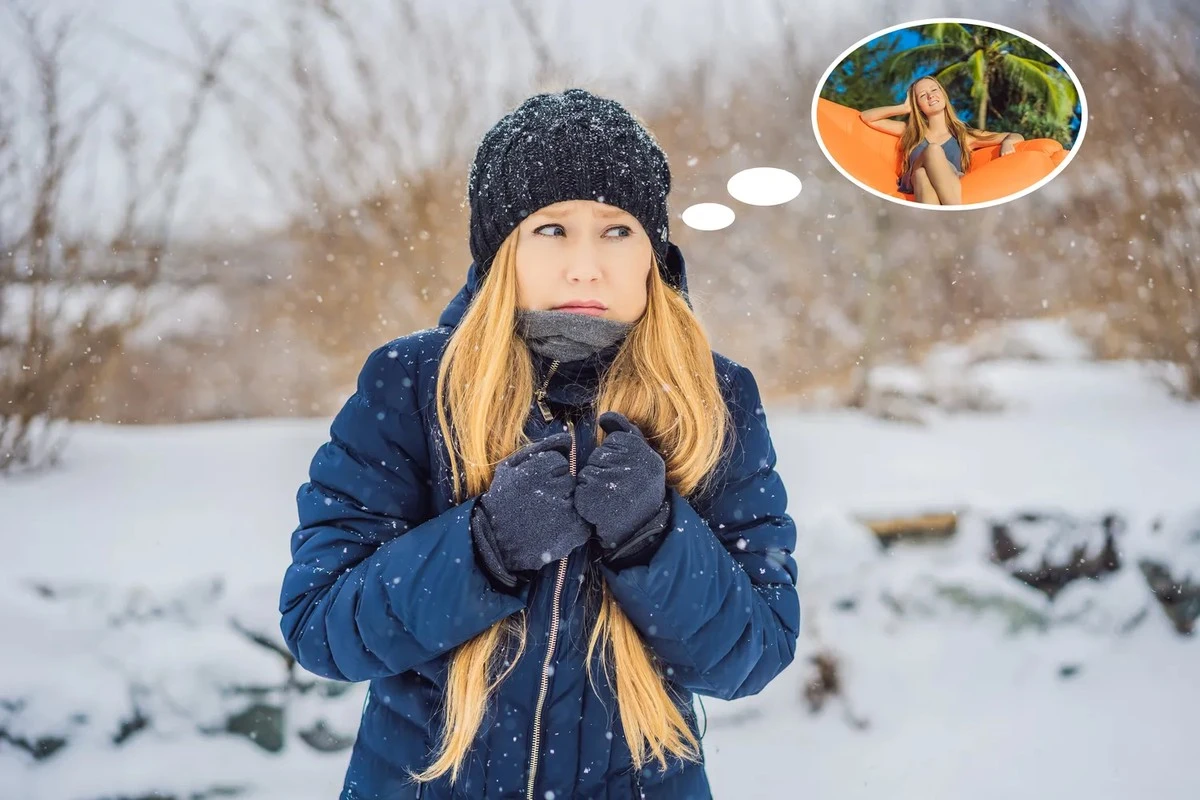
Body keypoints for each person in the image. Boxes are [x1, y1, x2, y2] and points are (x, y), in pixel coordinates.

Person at [278, 88, 800, 800]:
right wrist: (483, 549)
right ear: (503, 251)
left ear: (654, 251)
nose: (586, 265)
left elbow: (754, 652)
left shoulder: (717, 398)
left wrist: (655, 537)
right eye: (551, 229)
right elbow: (321, 624)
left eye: (617, 230)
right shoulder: (413, 386)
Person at [859, 75, 1025, 205]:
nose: (930, 96)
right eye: (923, 95)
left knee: (922, 174)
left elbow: (1014, 135)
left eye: (934, 90)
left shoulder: (964, 136)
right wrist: (904, 108)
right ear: (918, 106)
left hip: (947, 183)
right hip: (911, 183)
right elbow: (867, 117)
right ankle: (957, 216)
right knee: (931, 151)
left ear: (943, 94)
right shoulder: (910, 132)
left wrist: (1008, 142)